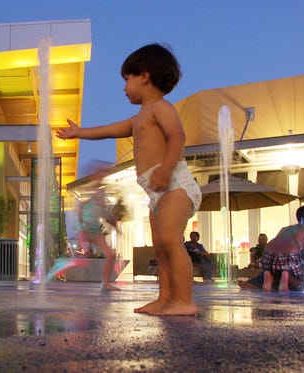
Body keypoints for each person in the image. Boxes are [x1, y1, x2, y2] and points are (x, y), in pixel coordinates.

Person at [57, 43, 202, 315]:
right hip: (158, 192)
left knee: (171, 241)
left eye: (127, 79)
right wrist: (79, 132)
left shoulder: (161, 108)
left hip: (175, 185)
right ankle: (165, 299)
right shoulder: (139, 118)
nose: (124, 87)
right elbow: (107, 130)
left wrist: (166, 168)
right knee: (160, 247)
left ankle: (184, 301)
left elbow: (177, 137)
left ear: (144, 76)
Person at [76, 162, 122, 291]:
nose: (101, 176)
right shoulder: (97, 192)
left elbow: (97, 210)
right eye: (99, 174)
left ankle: (105, 283)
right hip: (89, 228)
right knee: (108, 255)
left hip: (92, 228)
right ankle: (105, 283)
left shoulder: (97, 192)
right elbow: (102, 211)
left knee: (109, 255)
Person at [260, 205, 304, 292]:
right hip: (288, 255)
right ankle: (286, 276)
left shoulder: (286, 228)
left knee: (276, 268)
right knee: (302, 282)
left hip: (267, 255)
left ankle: (269, 276)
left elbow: (278, 245)